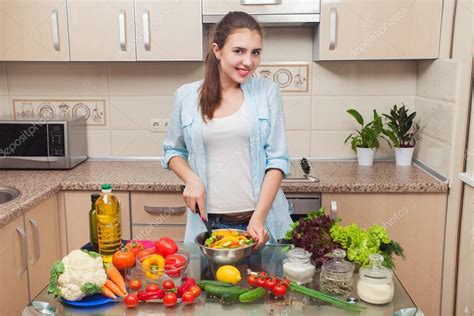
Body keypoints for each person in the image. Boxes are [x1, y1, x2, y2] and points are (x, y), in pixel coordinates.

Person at [162, 11, 293, 249]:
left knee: (265, 286)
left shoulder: (267, 91)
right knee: (208, 286)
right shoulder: (186, 96)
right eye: (239, 51)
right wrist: (191, 179)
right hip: (207, 226)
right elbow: (172, 151)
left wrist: (259, 219)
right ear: (217, 50)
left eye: (255, 52)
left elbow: (277, 160)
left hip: (260, 224)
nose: (248, 61)